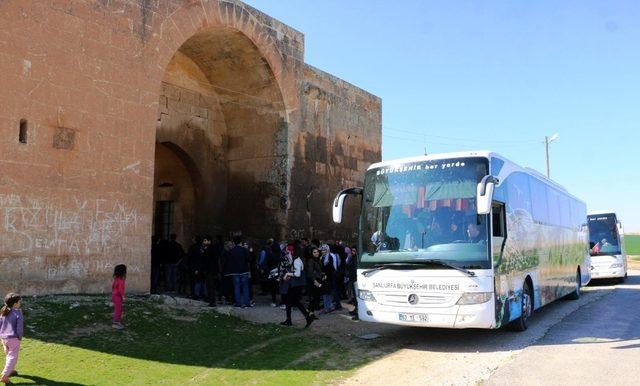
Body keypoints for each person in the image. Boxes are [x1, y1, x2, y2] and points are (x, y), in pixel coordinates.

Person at [281, 245, 314, 327]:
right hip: (296, 284)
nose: (288, 253)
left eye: (289, 251)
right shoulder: (297, 259)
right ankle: (291, 320)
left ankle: (306, 317)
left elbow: (297, 274)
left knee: (294, 302)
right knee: (291, 302)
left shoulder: (296, 261)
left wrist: (288, 274)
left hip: (297, 285)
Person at [0, 293, 23, 384]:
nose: (20, 303)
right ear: (14, 304)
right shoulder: (18, 313)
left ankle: (10, 370)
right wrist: (19, 337)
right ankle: (5, 375)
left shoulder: (3, 311)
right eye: (19, 302)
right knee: (13, 356)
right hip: (13, 338)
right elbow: (19, 327)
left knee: (9, 355)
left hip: (3, 338)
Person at [224, 236, 252, 308]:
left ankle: (238, 303)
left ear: (234, 242)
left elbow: (228, 261)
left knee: (236, 288)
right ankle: (247, 303)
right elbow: (249, 259)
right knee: (245, 287)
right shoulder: (244, 250)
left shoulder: (231, 251)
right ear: (240, 242)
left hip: (234, 271)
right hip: (244, 270)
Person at [305, 247, 323, 314]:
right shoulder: (311, 260)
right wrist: (315, 281)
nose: (316, 253)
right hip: (313, 281)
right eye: (314, 252)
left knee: (316, 297)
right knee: (314, 297)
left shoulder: (317, 260)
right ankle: (309, 312)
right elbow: (310, 272)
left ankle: (310, 312)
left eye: (317, 252)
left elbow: (319, 270)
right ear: (311, 253)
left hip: (318, 280)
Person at [319, 244, 336, 313]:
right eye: (322, 250)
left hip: (328, 278)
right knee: (325, 293)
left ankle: (328, 307)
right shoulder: (322, 257)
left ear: (327, 250)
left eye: (324, 250)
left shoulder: (330, 257)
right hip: (324, 277)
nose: (323, 251)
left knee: (326, 293)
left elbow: (330, 268)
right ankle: (328, 306)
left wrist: (325, 274)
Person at [346, 247, 359, 320]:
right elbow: (347, 266)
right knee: (355, 296)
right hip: (352, 279)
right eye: (352, 250)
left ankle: (357, 312)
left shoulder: (357, 258)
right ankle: (356, 310)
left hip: (356, 279)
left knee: (357, 296)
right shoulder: (351, 258)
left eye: (354, 250)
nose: (352, 252)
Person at [112, 264, 126, 330]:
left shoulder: (116, 279)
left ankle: (117, 321)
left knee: (118, 309)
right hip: (117, 296)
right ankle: (115, 323)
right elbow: (120, 290)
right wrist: (123, 296)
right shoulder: (121, 280)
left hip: (115, 296)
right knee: (118, 310)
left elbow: (113, 287)